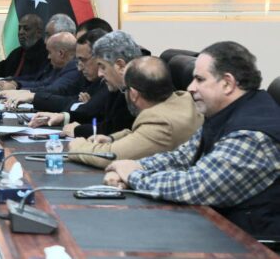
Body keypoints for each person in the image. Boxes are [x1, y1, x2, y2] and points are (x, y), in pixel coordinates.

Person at [104, 42, 280, 238]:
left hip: (248, 244)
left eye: (199, 79)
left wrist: (133, 176)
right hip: (218, 228)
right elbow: (182, 157)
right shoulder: (226, 114)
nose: (190, 88)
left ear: (227, 83)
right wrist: (137, 166)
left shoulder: (252, 135)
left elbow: (196, 185)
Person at [68, 56, 202, 168]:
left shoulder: (160, 123)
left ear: (133, 94)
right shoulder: (183, 99)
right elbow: (141, 134)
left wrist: (78, 146)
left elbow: (108, 156)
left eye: (124, 90)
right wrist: (111, 138)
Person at [28, 29, 139, 138]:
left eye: (103, 67)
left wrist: (78, 131)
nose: (100, 74)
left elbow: (114, 129)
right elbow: (99, 116)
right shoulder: (119, 87)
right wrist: (63, 117)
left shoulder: (138, 88)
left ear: (120, 65)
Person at [0, 32, 84, 95]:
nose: (48, 57)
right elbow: (42, 83)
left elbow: (53, 89)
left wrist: (19, 91)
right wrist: (17, 84)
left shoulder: (75, 68)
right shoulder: (59, 67)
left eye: (50, 52)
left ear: (61, 53)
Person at [0, 13, 48, 81]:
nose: (20, 32)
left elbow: (37, 80)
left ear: (38, 32)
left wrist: (10, 81)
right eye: (19, 28)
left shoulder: (47, 53)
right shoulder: (17, 53)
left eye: (26, 29)